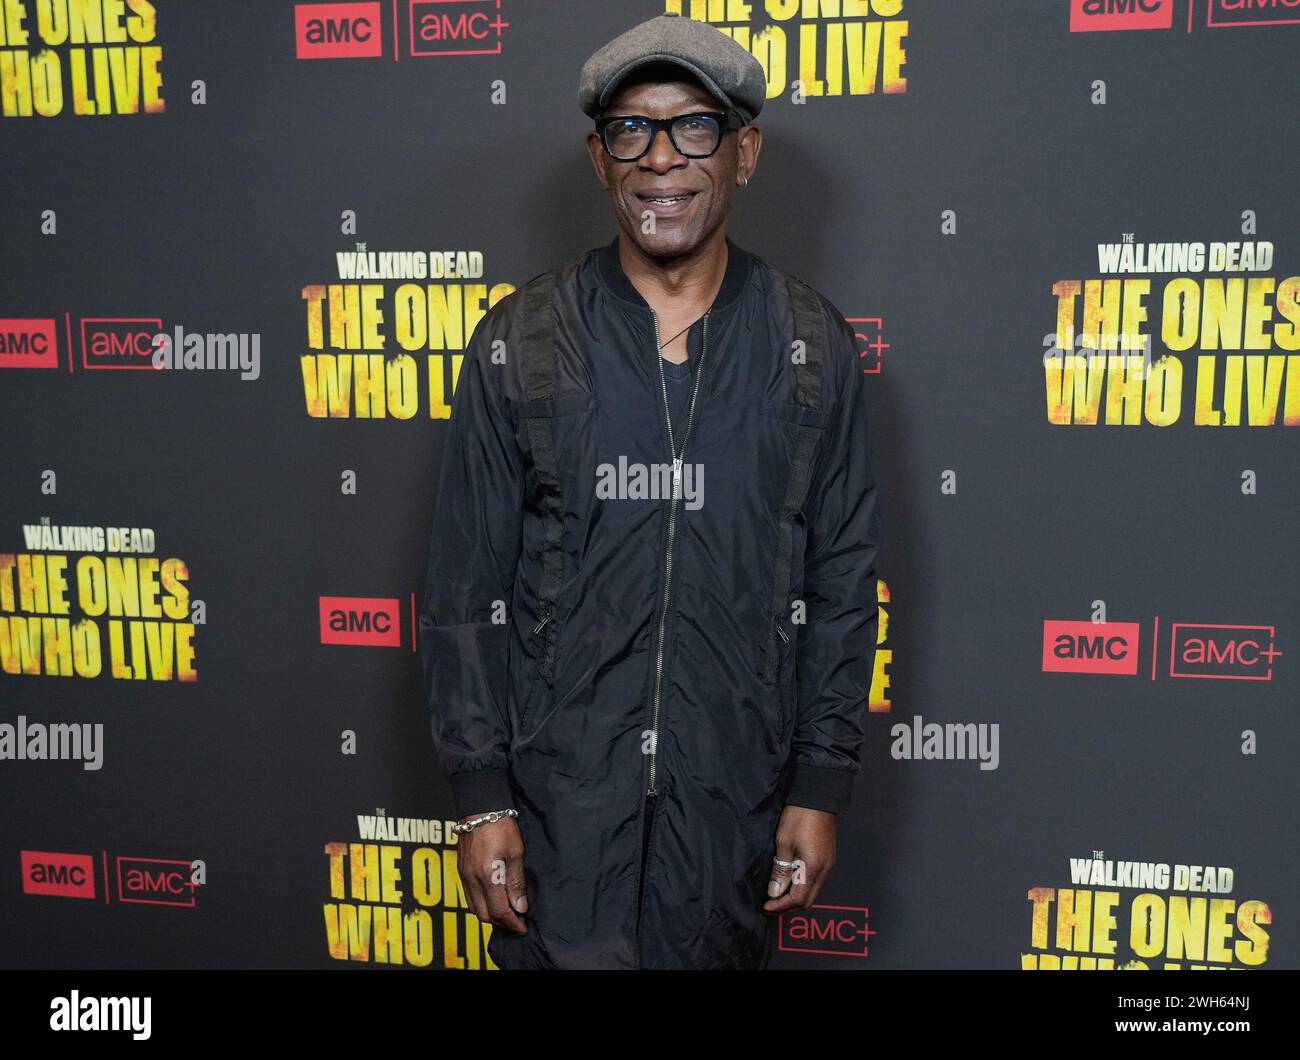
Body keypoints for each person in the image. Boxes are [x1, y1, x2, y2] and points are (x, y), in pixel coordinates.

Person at [418, 11, 884, 970]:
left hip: (733, 816)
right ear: (600, 159)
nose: (661, 159)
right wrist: (482, 796)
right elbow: (465, 590)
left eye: (694, 127)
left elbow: (841, 584)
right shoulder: (524, 339)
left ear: (744, 151)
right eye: (633, 129)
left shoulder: (811, 347)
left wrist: (820, 784)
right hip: (555, 823)